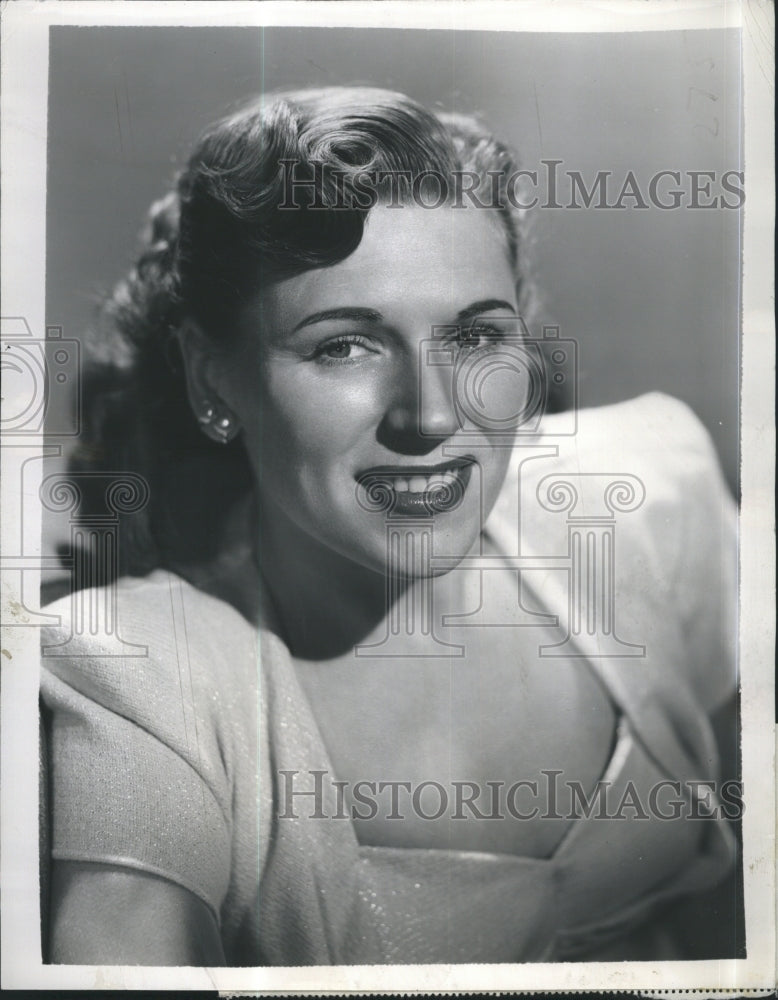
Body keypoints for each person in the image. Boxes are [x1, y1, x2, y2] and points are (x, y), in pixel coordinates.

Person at [39, 87, 739, 966]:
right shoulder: (136, 680)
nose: (433, 416)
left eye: (476, 337)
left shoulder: (648, 494)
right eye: (344, 344)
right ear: (213, 378)